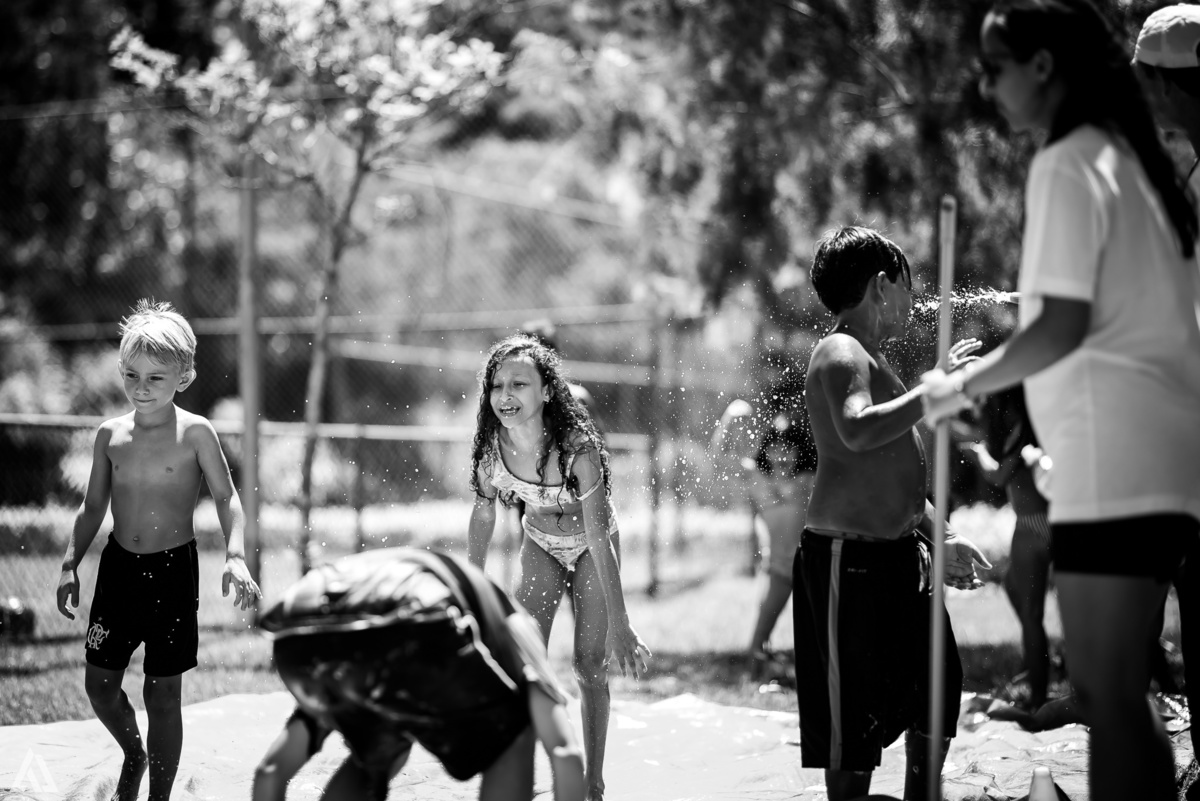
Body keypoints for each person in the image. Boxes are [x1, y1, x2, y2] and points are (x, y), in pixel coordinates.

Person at [923, 3, 1200, 798]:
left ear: (1042, 67)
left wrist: (958, 384)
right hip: (1163, 457)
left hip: (1118, 460)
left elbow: (1060, 325)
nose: (984, 85)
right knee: (1118, 694)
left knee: (1108, 695)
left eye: (993, 68)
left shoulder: (1069, 161)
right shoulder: (1135, 162)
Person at [796, 226, 990, 801]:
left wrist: (942, 535)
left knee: (936, 687)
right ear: (882, 286)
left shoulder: (872, 358)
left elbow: (888, 480)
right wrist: (934, 391)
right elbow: (856, 430)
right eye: (910, 286)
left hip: (902, 557)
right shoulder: (840, 351)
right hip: (847, 562)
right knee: (854, 729)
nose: (915, 298)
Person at [55, 298, 261, 801]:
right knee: (99, 686)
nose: (141, 388)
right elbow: (92, 507)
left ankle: (159, 797)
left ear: (184, 377)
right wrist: (69, 564)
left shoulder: (196, 433)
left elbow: (228, 497)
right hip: (119, 570)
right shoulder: (110, 436)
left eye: (155, 378)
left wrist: (235, 554)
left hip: (173, 573)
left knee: (163, 694)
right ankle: (134, 752)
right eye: (131, 375)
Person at [467, 334, 650, 801]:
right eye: (497, 385)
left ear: (547, 391)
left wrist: (621, 624)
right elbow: (484, 512)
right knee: (525, 664)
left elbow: (597, 535)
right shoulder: (492, 447)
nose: (505, 396)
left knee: (589, 666)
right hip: (541, 543)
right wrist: (469, 587)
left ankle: (593, 784)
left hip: (592, 547)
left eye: (519, 385)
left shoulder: (576, 448)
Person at [251, 547, 585, 801]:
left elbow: (270, 773)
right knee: (514, 732)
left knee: (378, 747)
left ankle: (375, 760)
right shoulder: (517, 626)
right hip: (413, 620)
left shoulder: (371, 662)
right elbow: (565, 753)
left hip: (296, 636)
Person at [961, 386, 1053, 710]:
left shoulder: (1027, 432)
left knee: (1031, 614)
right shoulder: (1020, 429)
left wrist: (977, 454)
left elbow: (999, 475)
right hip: (1033, 521)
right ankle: (1037, 667)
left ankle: (1039, 691)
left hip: (1034, 523)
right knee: (1015, 589)